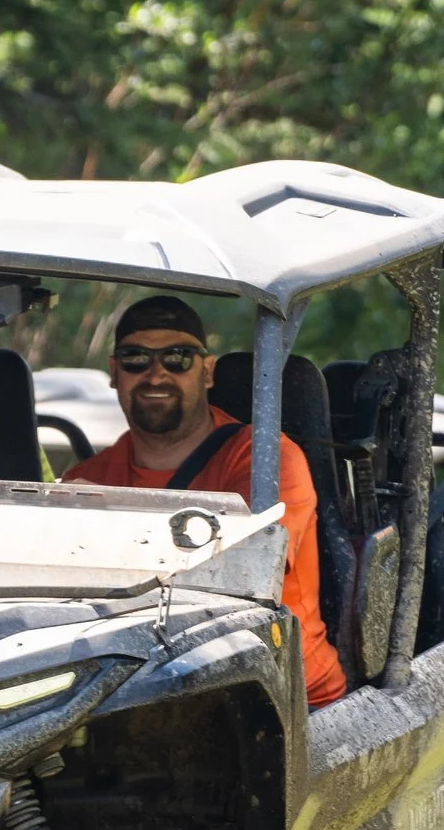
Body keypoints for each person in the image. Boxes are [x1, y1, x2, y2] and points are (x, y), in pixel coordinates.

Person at [64, 295, 349, 706]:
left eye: (177, 358)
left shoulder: (267, 462)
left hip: (287, 697)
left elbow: (238, 580)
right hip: (138, 693)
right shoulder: (86, 479)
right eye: (135, 359)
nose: (156, 375)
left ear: (207, 371)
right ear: (114, 372)